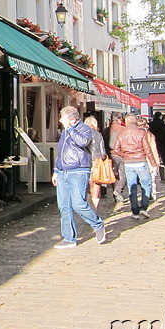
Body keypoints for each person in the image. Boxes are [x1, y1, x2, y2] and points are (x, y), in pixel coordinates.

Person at [51, 106, 105, 248]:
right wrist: (56, 170)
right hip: (63, 172)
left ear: (73, 119)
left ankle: (98, 224)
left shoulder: (84, 129)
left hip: (78, 171)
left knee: (78, 204)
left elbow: (82, 142)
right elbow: (61, 151)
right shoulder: (65, 132)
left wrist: (69, 128)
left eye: (64, 118)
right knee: (64, 206)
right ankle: (69, 237)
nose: (61, 121)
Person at [114, 114, 158, 220]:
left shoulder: (121, 134)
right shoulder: (141, 133)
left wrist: (124, 155)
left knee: (132, 186)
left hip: (128, 163)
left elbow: (116, 149)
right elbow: (148, 150)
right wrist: (153, 163)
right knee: (145, 185)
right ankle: (143, 207)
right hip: (141, 161)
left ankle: (134, 211)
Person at [103, 112, 127, 204]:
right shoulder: (123, 129)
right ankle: (118, 190)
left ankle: (116, 196)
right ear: (119, 119)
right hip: (121, 155)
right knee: (123, 175)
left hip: (110, 155)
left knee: (114, 175)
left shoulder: (106, 130)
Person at [84, 116, 106, 209]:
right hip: (97, 161)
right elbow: (103, 152)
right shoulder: (98, 135)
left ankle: (88, 204)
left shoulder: (83, 134)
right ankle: (94, 207)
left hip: (85, 161)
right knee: (97, 183)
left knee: (88, 183)